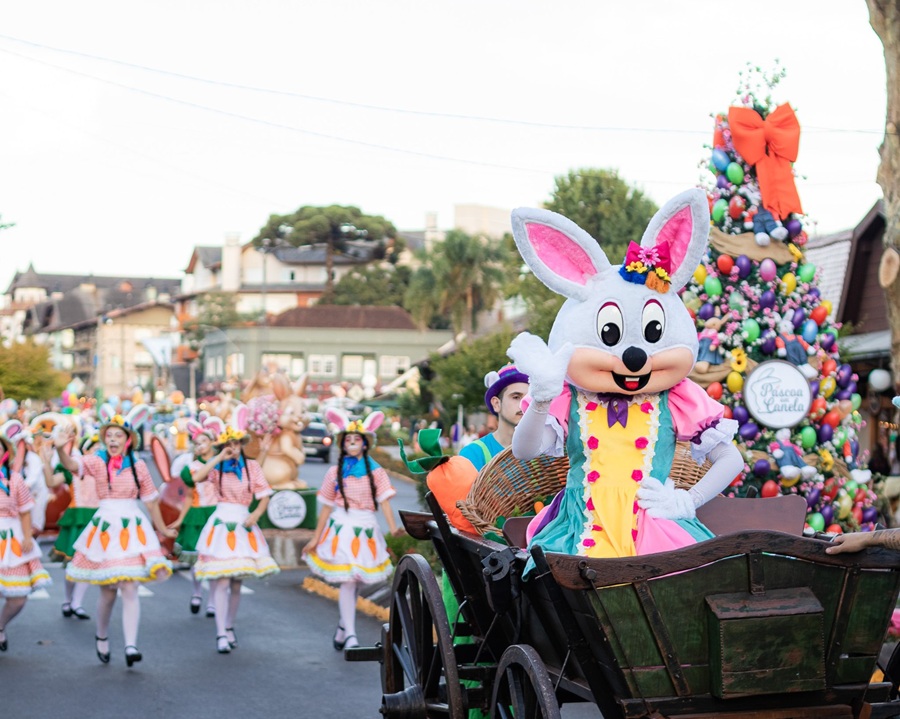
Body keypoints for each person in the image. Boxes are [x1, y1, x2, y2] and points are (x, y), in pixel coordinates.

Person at [55, 405, 176, 667]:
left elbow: (152, 501)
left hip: (132, 526)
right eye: (109, 435)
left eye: (118, 435)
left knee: (130, 586)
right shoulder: (96, 461)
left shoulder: (139, 466)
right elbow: (72, 465)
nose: (113, 439)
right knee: (109, 592)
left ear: (128, 439)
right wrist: (59, 448)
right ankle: (101, 636)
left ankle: (131, 646)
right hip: (106, 527)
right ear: (104, 438)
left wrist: (164, 530)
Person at [304, 410, 402, 651]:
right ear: (342, 443)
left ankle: (342, 627)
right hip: (341, 529)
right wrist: (316, 538)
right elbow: (326, 508)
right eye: (348, 440)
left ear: (365, 442)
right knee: (348, 581)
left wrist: (393, 529)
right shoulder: (334, 472)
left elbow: (385, 502)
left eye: (357, 439)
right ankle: (350, 635)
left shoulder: (375, 471)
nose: (352, 443)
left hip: (366, 529)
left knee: (357, 581)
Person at [191, 425, 280, 655]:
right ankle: (221, 632)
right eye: (229, 443)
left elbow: (264, 495)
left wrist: (256, 514)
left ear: (242, 444)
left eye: (237, 443)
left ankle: (229, 626)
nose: (234, 447)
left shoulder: (252, 467)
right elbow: (197, 478)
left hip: (243, 523)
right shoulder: (218, 466)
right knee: (221, 580)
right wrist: (219, 456)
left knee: (237, 581)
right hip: (221, 523)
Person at [166, 414, 226, 618]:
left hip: (218, 513)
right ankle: (197, 593)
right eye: (196, 442)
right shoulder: (191, 468)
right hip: (198, 514)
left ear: (212, 443)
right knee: (198, 557)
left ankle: (212, 602)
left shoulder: (224, 464)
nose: (199, 445)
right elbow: (190, 497)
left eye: (203, 441)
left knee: (216, 559)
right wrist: (181, 519)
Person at [0, 421, 52, 652]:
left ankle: (0, 627)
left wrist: (28, 537)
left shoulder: (14, 479)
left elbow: (25, 509)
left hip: (12, 539)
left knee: (18, 597)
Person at [46, 430, 97, 620]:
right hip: (77, 518)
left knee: (87, 562)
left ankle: (77, 603)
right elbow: (50, 481)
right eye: (95, 448)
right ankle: (68, 601)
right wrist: (46, 461)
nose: (99, 451)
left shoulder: (106, 469)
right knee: (73, 563)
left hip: (96, 519)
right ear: (86, 450)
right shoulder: (75, 469)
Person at [459, 364, 530, 472]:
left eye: (530, 398)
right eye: (516, 397)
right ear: (496, 403)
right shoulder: (474, 454)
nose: (524, 404)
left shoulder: (547, 452)